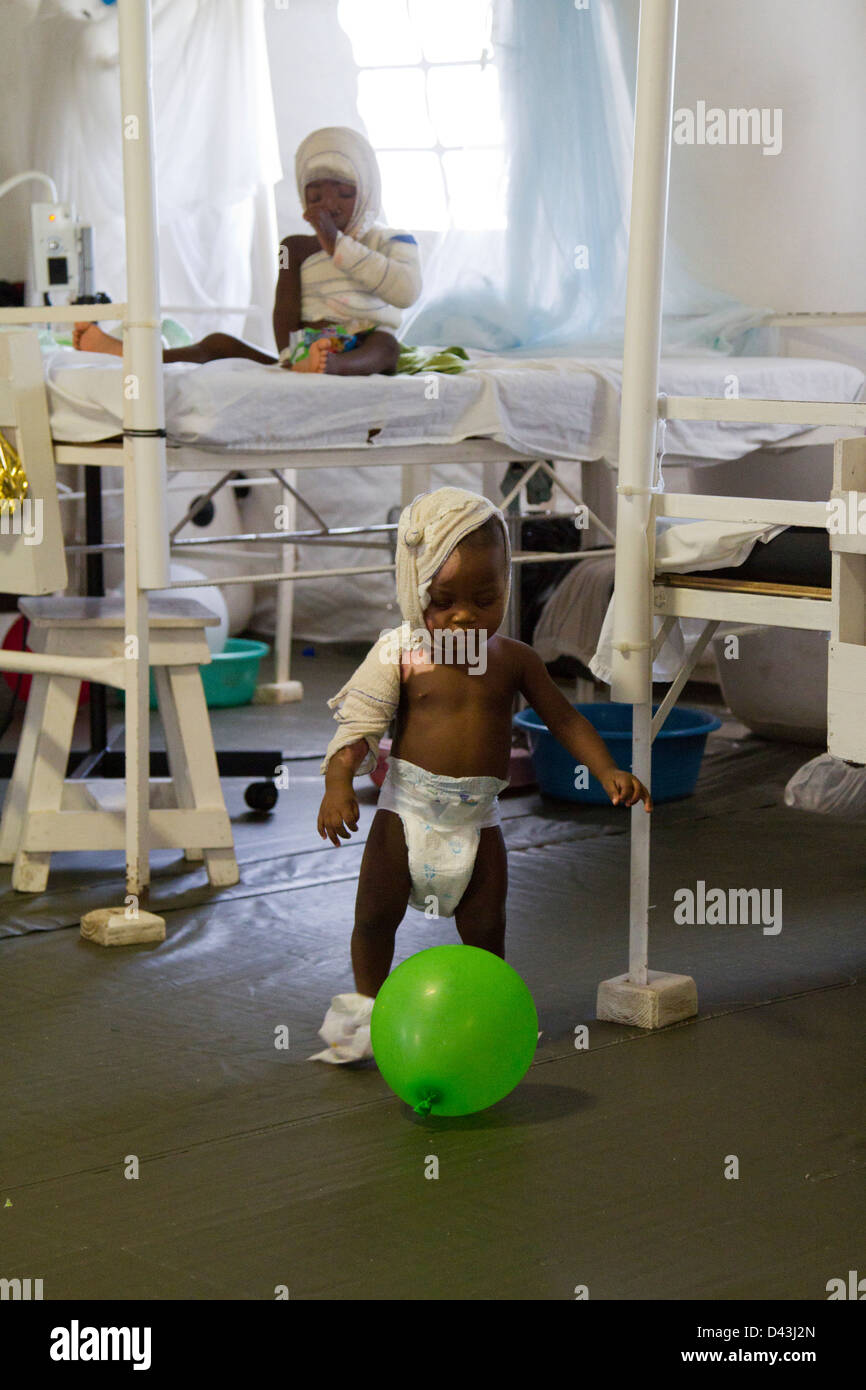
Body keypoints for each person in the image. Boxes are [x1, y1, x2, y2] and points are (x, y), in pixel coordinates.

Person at [309, 486, 652, 1063]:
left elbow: (565, 719)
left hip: (479, 821)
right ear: (414, 593)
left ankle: (491, 1015)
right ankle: (363, 1015)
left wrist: (606, 767)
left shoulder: (514, 659)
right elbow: (361, 725)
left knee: (487, 925)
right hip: (405, 813)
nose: (464, 614)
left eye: (484, 597)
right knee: (373, 918)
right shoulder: (401, 653)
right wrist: (338, 784)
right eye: (443, 601)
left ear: (506, 587)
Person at [72, 126, 422, 376]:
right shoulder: (293, 250)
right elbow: (283, 312)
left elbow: (406, 292)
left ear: (368, 190)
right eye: (315, 196)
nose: (329, 205)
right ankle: (131, 354)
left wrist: (337, 245)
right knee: (218, 343)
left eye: (343, 193)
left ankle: (334, 367)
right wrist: (292, 354)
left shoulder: (393, 241)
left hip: (361, 349)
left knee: (387, 347)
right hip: (304, 352)